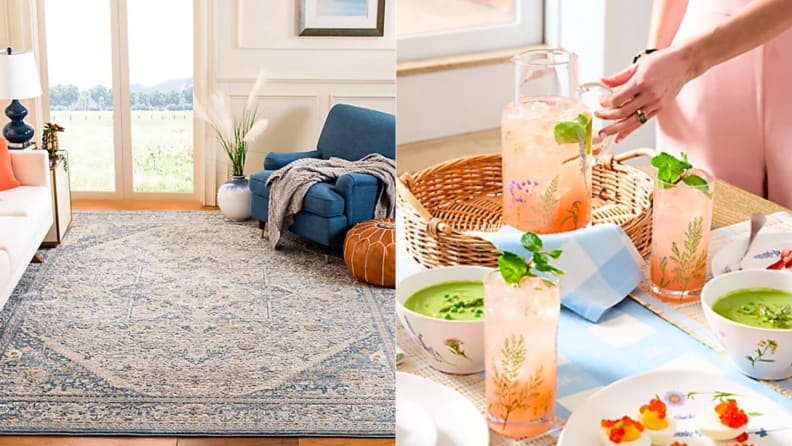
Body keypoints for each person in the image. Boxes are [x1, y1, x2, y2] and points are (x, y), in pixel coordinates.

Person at [596, 0, 792, 207]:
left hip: (698, 56)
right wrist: (654, 55)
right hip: (700, 61)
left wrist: (685, 60)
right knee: (699, 222)